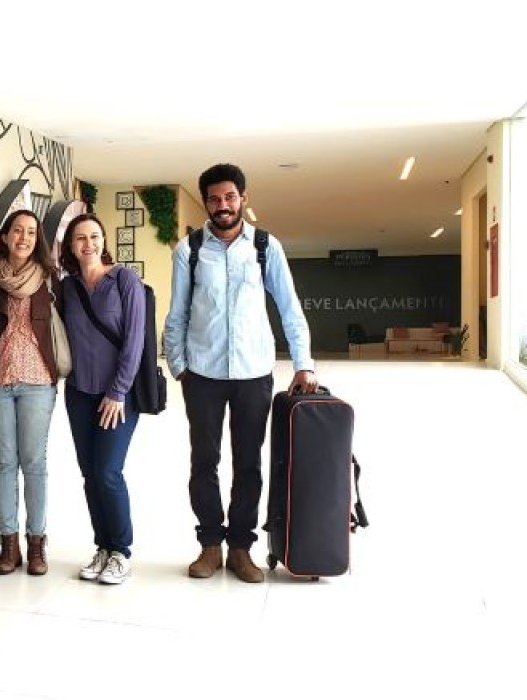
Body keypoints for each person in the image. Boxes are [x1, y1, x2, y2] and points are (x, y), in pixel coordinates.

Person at [163, 163, 317, 584]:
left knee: (248, 463)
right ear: (206, 203)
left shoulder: (266, 247)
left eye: (230, 197)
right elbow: (175, 315)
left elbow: (289, 307)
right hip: (203, 374)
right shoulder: (189, 250)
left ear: (243, 199)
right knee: (204, 461)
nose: (222, 205)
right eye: (214, 199)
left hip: (253, 372)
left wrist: (304, 363)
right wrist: (180, 367)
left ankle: (242, 548)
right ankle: (210, 545)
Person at [59, 213, 145, 585]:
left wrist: (118, 391)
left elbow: (135, 340)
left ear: (104, 240)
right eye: (81, 238)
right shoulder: (67, 287)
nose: (88, 244)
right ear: (71, 246)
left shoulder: (125, 279)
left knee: (108, 472)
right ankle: (102, 547)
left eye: (95, 236)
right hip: (79, 392)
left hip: (119, 395)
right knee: (89, 474)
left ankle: (121, 551)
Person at [0, 210, 62, 575]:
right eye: (18, 230)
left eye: (31, 232)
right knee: (2, 463)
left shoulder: (50, 278)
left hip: (37, 380)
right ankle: (9, 544)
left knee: (34, 464)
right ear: (5, 235)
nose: (24, 238)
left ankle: (36, 545)